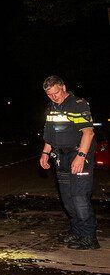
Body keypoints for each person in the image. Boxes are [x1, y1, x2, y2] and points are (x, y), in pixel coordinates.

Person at [40, 75, 100, 250]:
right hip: (60, 157)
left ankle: (90, 237)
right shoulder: (51, 107)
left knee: (79, 197)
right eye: (49, 95)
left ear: (63, 87)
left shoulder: (78, 104)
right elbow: (50, 135)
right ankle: (77, 232)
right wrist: (45, 153)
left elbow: (88, 133)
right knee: (67, 199)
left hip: (78, 154)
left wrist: (80, 156)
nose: (54, 97)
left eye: (56, 93)